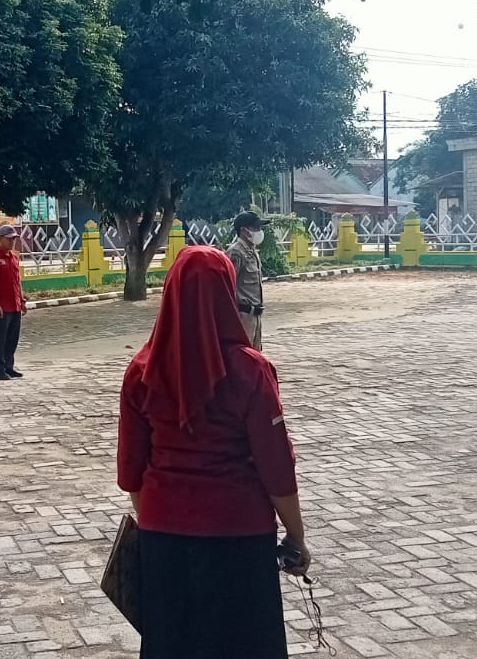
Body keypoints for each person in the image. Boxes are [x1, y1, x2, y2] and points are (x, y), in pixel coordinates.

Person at [117, 245, 306, 659]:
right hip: (239, 536)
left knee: (174, 644)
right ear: (227, 292)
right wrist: (296, 535)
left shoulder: (141, 371)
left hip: (163, 538)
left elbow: (131, 471)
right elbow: (277, 468)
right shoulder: (251, 371)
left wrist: (160, 519)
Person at [0, 224, 27, 380]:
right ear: (0, 239)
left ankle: (9, 366)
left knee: (12, 338)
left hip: (14, 303)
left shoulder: (14, 257)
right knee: (0, 338)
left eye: (13, 239)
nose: (11, 242)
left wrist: (21, 300)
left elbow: (18, 280)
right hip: (2, 305)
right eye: (8, 239)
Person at [225, 211, 267, 350]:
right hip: (243, 315)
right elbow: (227, 285)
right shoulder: (236, 252)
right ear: (244, 230)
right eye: (255, 228)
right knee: (244, 356)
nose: (259, 232)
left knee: (255, 358)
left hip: (255, 315)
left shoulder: (252, 251)